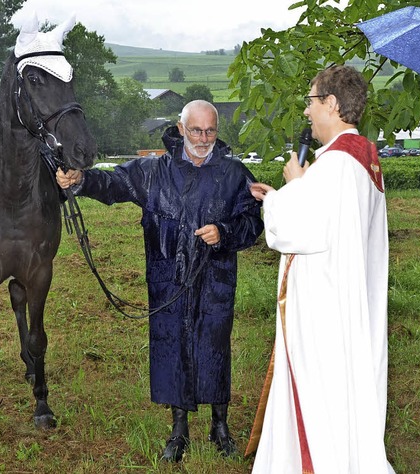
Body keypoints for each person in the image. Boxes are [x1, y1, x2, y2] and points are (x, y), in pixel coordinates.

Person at [56, 100, 264, 462]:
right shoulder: (152, 171)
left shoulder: (234, 174)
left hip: (215, 281)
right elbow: (112, 183)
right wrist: (82, 180)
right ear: (181, 128)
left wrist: (225, 233)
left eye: (210, 130)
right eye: (196, 130)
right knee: (171, 350)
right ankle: (179, 429)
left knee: (214, 349)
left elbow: (253, 222)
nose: (203, 138)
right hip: (167, 281)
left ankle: (220, 426)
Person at [248, 65, 394, 473]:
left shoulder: (334, 166)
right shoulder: (360, 159)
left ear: (331, 103)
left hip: (324, 311)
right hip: (347, 301)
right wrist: (287, 192)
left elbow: (296, 231)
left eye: (311, 102)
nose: (307, 112)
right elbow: (330, 222)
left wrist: (292, 186)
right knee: (344, 399)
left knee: (319, 402)